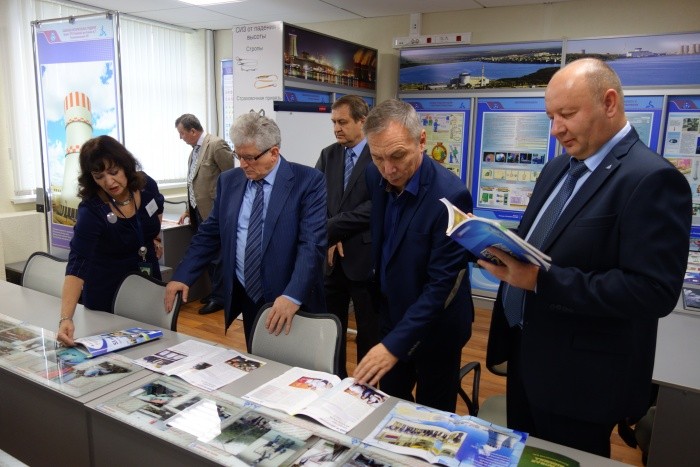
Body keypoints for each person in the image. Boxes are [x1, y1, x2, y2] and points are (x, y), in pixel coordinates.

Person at [480, 58, 692, 457]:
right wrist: (494, 245)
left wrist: (540, 280)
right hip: (527, 353)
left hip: (580, 379)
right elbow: (543, 242)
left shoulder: (652, 179)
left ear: (609, 103)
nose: (556, 129)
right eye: (551, 117)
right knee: (526, 457)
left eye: (567, 114)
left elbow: (653, 291)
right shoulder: (557, 168)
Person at [165, 111, 327, 349]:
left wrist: (293, 295)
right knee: (257, 357)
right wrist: (183, 275)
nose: (243, 165)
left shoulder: (308, 181)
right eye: (238, 156)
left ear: (274, 152)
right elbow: (210, 233)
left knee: (295, 362)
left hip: (290, 297)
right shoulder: (229, 181)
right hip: (248, 293)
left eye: (250, 158)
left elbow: (311, 245)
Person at [353, 99, 474, 412]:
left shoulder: (452, 196)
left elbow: (441, 285)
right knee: (390, 406)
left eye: (397, 156)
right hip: (391, 314)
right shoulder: (374, 175)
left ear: (421, 141)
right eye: (378, 157)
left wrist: (393, 346)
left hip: (437, 328)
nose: (388, 169)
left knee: (433, 414)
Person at [57, 135, 164, 346]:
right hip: (108, 292)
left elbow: (157, 208)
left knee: (155, 344)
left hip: (147, 283)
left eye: (114, 172)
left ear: (126, 165)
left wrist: (155, 238)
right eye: (99, 176)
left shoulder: (146, 186)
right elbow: (78, 263)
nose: (109, 182)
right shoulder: (92, 210)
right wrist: (66, 318)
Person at [315, 95, 379, 378]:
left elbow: (375, 206)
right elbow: (314, 200)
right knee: (332, 326)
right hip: (331, 260)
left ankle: (365, 385)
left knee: (368, 330)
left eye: (342, 122)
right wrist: (330, 235)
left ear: (362, 121)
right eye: (333, 122)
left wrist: (334, 229)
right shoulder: (328, 155)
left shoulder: (377, 154)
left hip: (364, 259)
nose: (336, 128)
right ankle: (335, 380)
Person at [175, 113, 235, 315]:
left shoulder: (216, 145)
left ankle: (220, 297)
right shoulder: (194, 151)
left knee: (218, 257)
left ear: (193, 131)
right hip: (198, 211)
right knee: (208, 254)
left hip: (215, 211)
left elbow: (233, 177)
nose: (181, 138)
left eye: (182, 133)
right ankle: (214, 292)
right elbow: (194, 182)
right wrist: (188, 208)